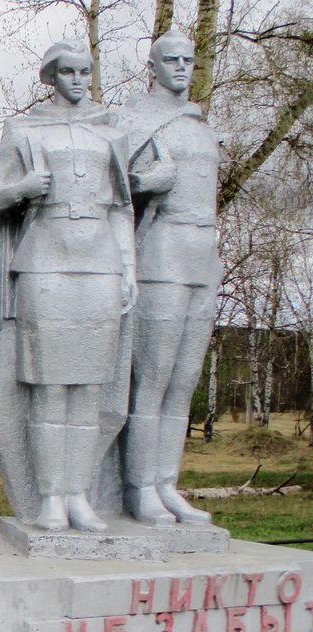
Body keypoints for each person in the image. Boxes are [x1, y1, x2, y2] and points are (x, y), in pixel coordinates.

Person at [0, 40, 135, 533]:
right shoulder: (24, 130)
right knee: (49, 389)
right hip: (44, 263)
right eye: (69, 72)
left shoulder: (110, 132)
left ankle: (79, 494)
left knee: (88, 390)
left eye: (86, 71)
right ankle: (51, 497)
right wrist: (21, 189)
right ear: (51, 77)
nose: (79, 80)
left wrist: (129, 268)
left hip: (100, 263)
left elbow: (121, 208)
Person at [115, 29, 219, 527]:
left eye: (187, 59)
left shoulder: (199, 125)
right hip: (162, 250)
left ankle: (167, 484)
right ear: (152, 66)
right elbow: (107, 191)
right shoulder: (134, 121)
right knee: (152, 380)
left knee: (184, 381)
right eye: (170, 59)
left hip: (205, 251)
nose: (181, 66)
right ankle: (139, 490)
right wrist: (142, 185)